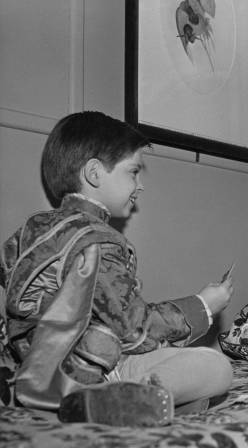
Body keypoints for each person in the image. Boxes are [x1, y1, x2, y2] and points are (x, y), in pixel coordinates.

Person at [0, 111, 234, 424]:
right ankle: (117, 401)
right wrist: (203, 306)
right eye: (133, 172)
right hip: (87, 372)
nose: (140, 186)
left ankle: (150, 401)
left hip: (29, 367)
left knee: (195, 370)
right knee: (217, 367)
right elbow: (135, 328)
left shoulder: (31, 228)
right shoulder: (97, 239)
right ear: (95, 173)